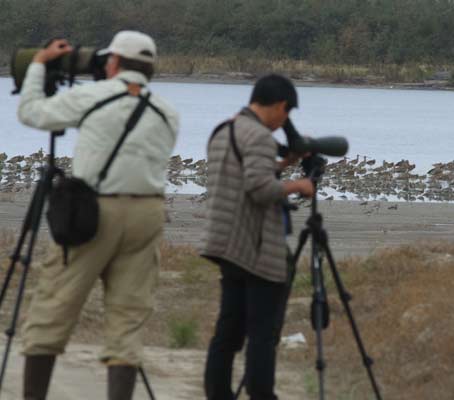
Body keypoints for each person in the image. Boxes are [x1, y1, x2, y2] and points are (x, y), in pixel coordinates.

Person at [17, 31, 178, 400]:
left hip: (94, 212)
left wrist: (40, 65)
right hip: (148, 213)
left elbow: (32, 113)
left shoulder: (92, 96)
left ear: (113, 62)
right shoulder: (167, 112)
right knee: (128, 319)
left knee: (54, 307)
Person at [200, 74, 314, 400]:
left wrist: (282, 165)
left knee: (228, 332)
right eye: (287, 114)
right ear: (280, 105)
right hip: (255, 247)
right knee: (262, 335)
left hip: (225, 242)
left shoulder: (224, 130)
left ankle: (218, 394)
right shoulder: (261, 137)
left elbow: (243, 177)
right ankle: (262, 394)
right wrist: (299, 185)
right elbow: (259, 188)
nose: (285, 122)